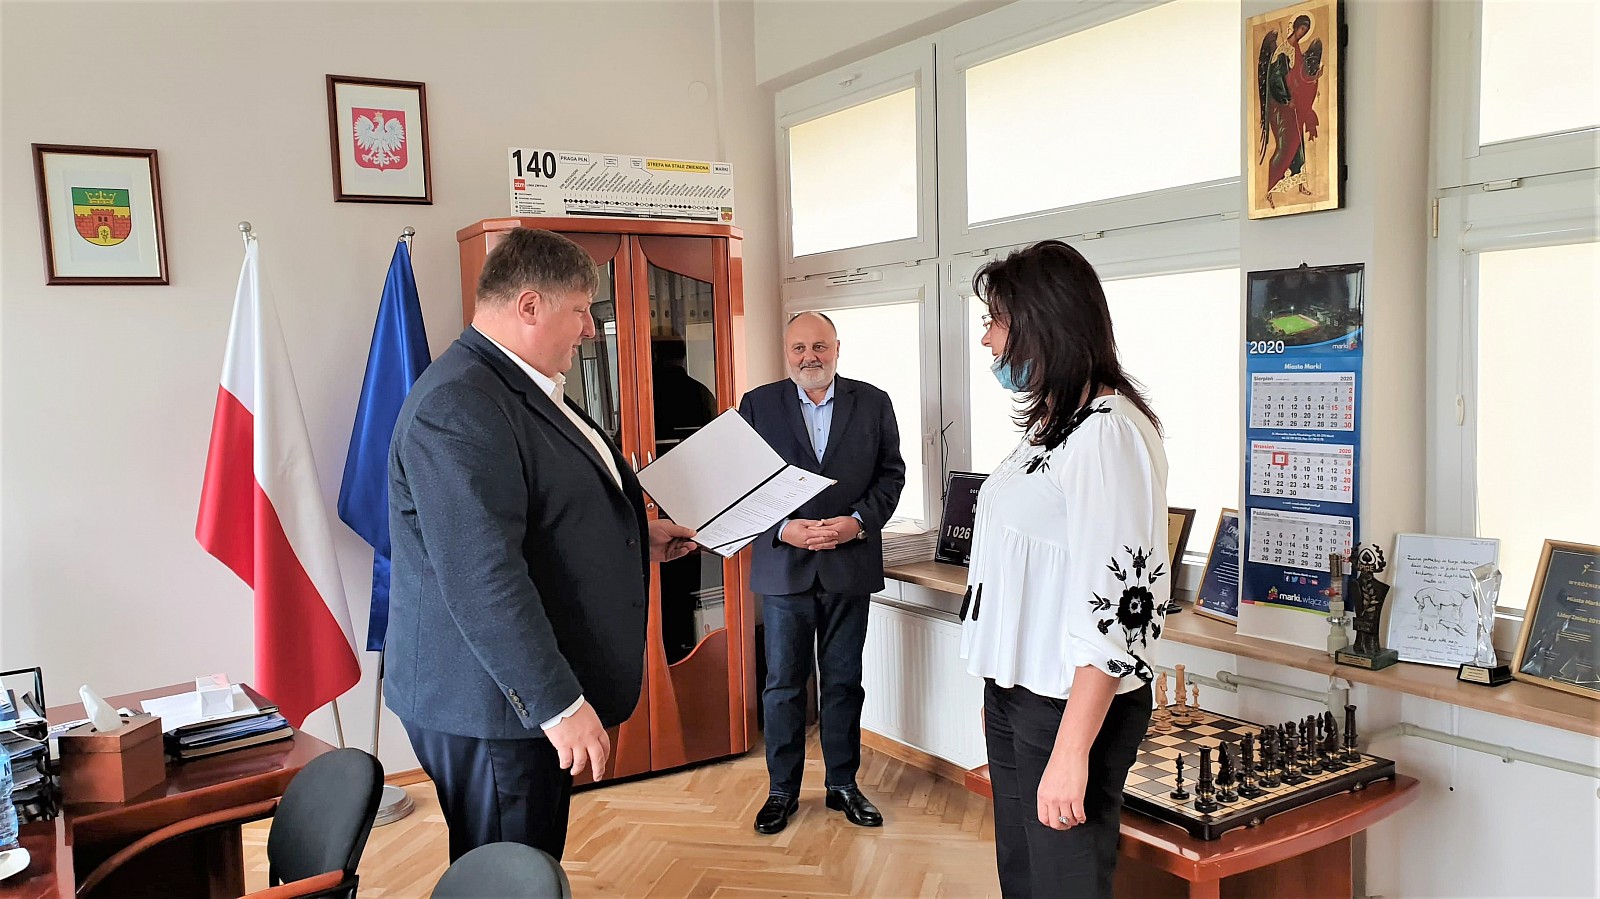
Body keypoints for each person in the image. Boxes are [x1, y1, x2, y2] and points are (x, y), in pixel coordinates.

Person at [384, 228, 697, 862]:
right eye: (580, 309)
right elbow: (482, 576)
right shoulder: (460, 404)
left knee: (529, 859)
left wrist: (639, 538)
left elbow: (540, 517)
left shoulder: (515, 385)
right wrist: (558, 705)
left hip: (510, 696)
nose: (590, 328)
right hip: (495, 704)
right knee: (508, 869)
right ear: (530, 305)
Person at [960, 240, 1169, 899]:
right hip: (1020, 690)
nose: (988, 340)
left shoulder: (1108, 433)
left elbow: (1124, 604)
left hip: (1067, 705)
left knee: (1065, 884)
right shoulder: (1058, 423)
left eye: (996, 321)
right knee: (1024, 877)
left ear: (1043, 323)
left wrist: (1071, 751)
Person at [737, 311, 905, 835]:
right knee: (783, 685)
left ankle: (843, 785)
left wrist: (858, 523)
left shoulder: (873, 401)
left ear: (837, 348)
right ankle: (782, 791)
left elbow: (891, 476)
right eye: (799, 348)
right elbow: (740, 485)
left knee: (844, 682)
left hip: (848, 565)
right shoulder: (757, 405)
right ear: (786, 352)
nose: (809, 357)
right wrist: (781, 529)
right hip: (783, 567)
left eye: (819, 346)